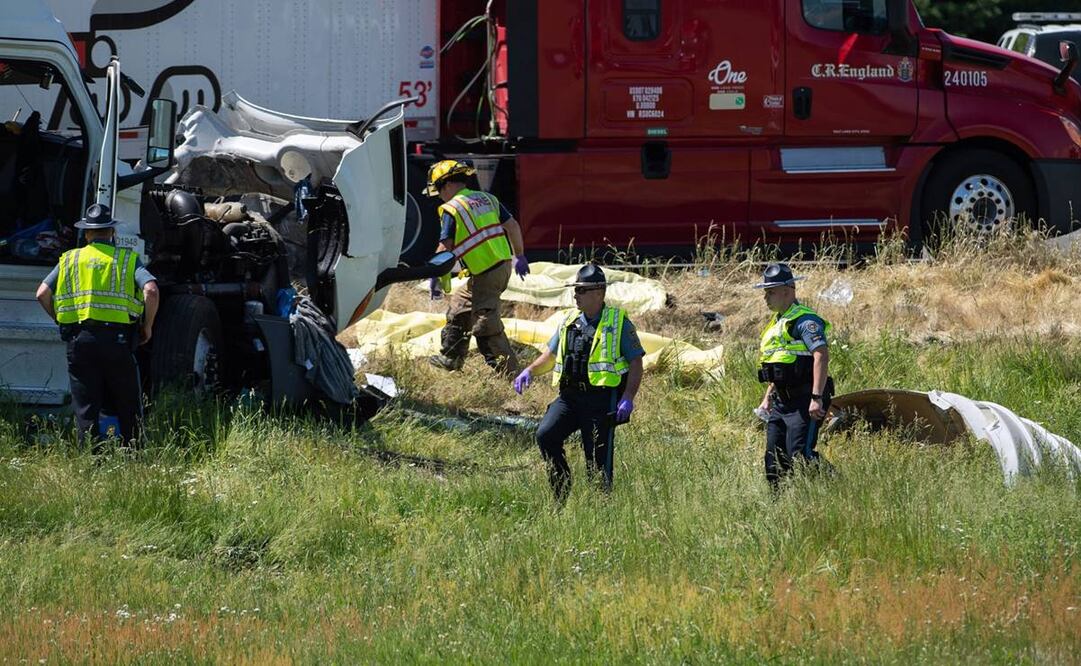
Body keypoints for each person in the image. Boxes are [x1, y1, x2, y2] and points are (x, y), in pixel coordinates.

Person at [514, 264, 645, 502]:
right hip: (570, 398)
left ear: (598, 293)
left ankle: (600, 512)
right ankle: (560, 491)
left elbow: (636, 362)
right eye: (575, 290)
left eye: (581, 291)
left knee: (597, 461)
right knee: (546, 435)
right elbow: (551, 355)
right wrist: (530, 371)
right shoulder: (569, 320)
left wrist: (628, 398)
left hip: (601, 401)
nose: (576, 295)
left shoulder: (618, 323)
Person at [34, 203, 159, 449]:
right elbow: (151, 290)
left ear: (88, 233)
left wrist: (60, 318)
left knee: (86, 407)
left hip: (80, 340)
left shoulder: (69, 259)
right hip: (118, 340)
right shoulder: (126, 259)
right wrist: (148, 326)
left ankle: (91, 461)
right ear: (111, 233)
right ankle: (132, 456)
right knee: (128, 403)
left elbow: (41, 293)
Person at [425, 159, 529, 375]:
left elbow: (445, 246)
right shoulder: (487, 198)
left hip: (486, 273)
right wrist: (519, 256)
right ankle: (450, 358)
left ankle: (510, 374)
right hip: (499, 268)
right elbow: (513, 226)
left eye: (439, 191)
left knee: (485, 326)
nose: (440, 196)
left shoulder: (451, 208)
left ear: (447, 185)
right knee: (460, 307)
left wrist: (434, 276)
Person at [753, 263, 833, 489]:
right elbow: (779, 364)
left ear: (788, 291)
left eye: (771, 292)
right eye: (765, 292)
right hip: (781, 401)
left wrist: (816, 398)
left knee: (800, 455)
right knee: (774, 460)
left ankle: (838, 487)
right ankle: (778, 506)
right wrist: (768, 396)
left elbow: (821, 356)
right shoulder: (777, 322)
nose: (765, 298)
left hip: (805, 399)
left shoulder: (805, 321)